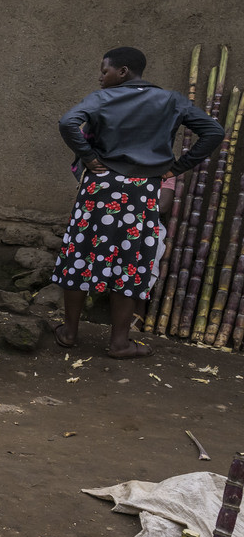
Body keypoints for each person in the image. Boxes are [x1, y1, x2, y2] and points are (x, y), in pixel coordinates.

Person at [53, 46, 223, 357]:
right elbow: (213, 131)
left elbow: (67, 123)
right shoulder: (171, 100)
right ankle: (119, 343)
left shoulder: (102, 98)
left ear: (123, 72)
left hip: (100, 186)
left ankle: (68, 333)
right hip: (143, 191)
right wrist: (177, 167)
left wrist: (90, 158)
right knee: (130, 262)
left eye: (105, 71)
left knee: (81, 253)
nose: (100, 77)